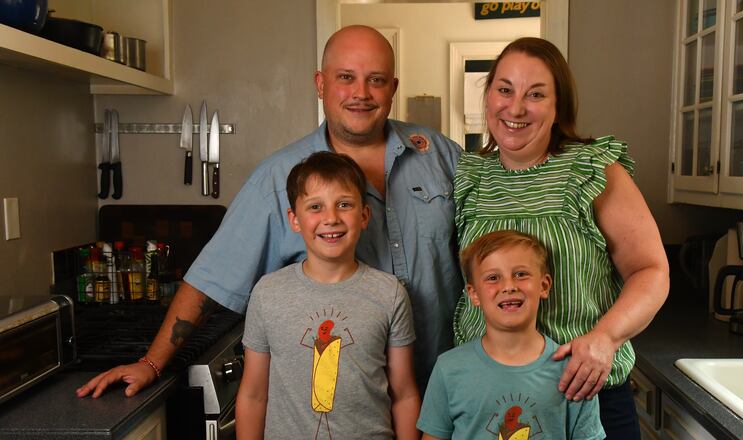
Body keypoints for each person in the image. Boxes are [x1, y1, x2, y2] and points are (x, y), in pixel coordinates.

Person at [76, 25, 462, 399]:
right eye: (346, 77)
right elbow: (212, 279)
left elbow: (494, 233)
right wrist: (152, 363)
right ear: (320, 84)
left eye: (376, 79)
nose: (361, 93)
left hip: (448, 392)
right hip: (342, 407)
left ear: (393, 88)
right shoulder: (279, 178)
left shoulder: (438, 154)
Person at [451, 37, 669, 438]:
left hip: (584, 396)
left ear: (558, 107)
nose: (515, 108)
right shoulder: (469, 176)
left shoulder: (592, 170)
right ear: (488, 97)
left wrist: (606, 337)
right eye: (504, 89)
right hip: (488, 399)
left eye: (535, 94)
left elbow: (652, 270)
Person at [236, 151, 420, 439]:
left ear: (364, 216)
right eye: (315, 207)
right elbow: (253, 395)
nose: (331, 218)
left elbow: (404, 395)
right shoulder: (267, 293)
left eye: (344, 205)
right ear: (295, 220)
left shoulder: (389, 294)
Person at [418, 230, 605, 440]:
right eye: (493, 278)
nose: (508, 286)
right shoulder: (448, 369)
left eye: (520, 274)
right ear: (474, 294)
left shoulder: (574, 371)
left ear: (544, 285)